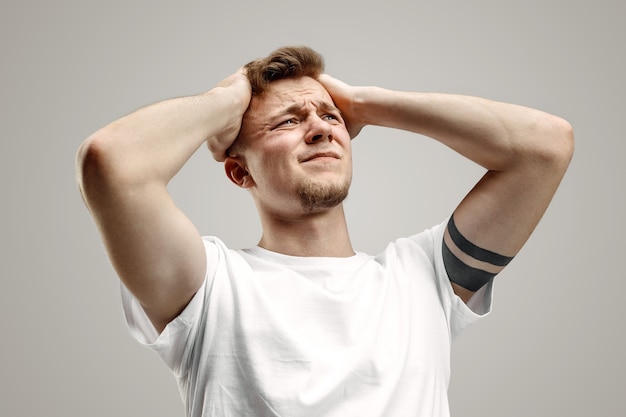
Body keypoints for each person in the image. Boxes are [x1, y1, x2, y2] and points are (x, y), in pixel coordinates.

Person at [76, 46, 574, 417]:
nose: (320, 128)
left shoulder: (425, 279)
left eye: (330, 117)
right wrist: (226, 100)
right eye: (286, 122)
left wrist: (363, 103)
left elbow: (546, 147)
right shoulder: (206, 287)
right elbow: (112, 163)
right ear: (239, 172)